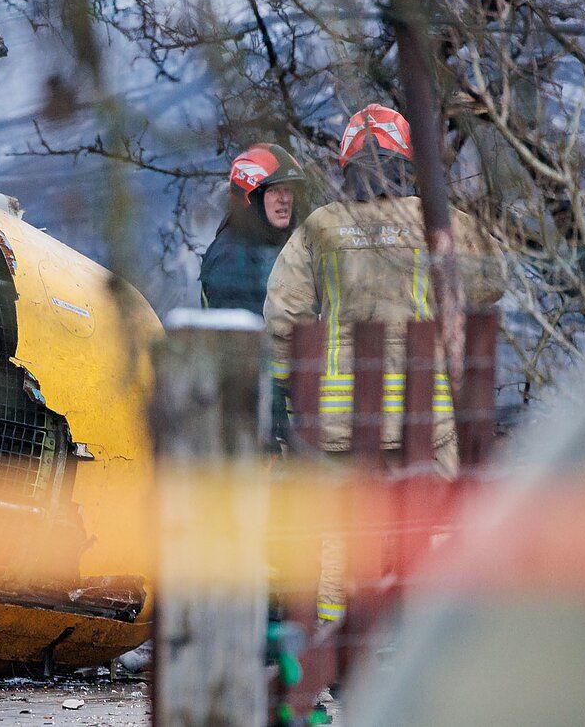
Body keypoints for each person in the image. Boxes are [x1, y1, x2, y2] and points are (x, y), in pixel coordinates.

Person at [263, 103, 504, 623]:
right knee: (434, 530)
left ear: (347, 164)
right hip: (428, 419)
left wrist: (290, 394)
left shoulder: (320, 228)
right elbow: (493, 280)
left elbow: (282, 319)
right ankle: (422, 653)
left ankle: (336, 650)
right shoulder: (440, 224)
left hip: (340, 422)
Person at [200, 143, 307, 312]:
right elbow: (241, 334)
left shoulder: (282, 245)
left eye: (288, 190)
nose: (284, 199)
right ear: (251, 199)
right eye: (274, 190)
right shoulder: (231, 258)